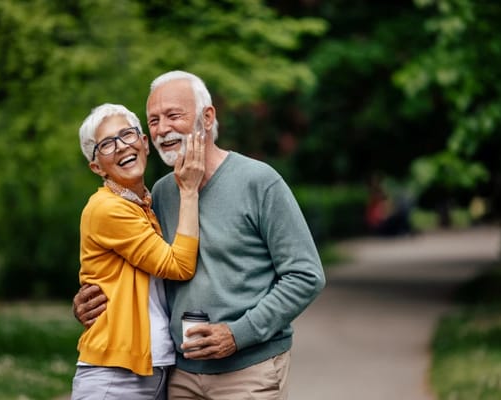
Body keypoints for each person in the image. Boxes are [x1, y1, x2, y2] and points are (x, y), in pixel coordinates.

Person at [74, 71, 326, 399]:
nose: (163, 128)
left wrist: (238, 333)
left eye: (173, 115)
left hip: (248, 370)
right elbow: (138, 268)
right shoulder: (159, 194)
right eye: (153, 120)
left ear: (207, 118)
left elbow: (306, 275)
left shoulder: (259, 182)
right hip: (179, 375)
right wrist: (92, 300)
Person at [71, 103, 205, 400]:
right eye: (106, 144)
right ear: (96, 166)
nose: (120, 147)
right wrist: (190, 190)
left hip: (155, 370)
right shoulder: (108, 208)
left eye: (127, 135)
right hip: (115, 377)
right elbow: (179, 266)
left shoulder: (146, 203)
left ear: (144, 143)